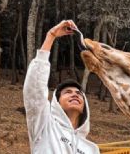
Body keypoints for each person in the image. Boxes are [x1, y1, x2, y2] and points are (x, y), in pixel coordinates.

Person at [23, 20, 99, 154]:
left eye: (78, 93)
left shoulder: (91, 149)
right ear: (57, 103)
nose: (75, 94)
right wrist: (51, 36)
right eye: (67, 92)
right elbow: (35, 91)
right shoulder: (44, 125)